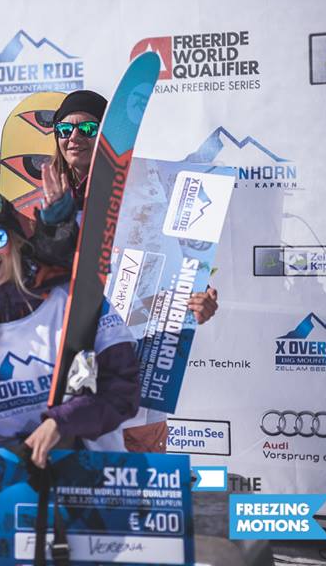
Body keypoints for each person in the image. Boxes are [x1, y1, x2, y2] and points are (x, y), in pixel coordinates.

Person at [39, 89, 219, 452]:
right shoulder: (50, 200)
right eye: (64, 129)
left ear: (108, 135)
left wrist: (199, 300)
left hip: (142, 353)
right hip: (78, 357)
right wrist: (55, 220)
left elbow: (186, 262)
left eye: (87, 129)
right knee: (81, 460)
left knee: (138, 454)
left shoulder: (151, 192)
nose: (74, 138)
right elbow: (45, 277)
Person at [0, 189, 140, 466]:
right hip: (7, 475)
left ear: (15, 239)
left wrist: (60, 423)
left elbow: (123, 391)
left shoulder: (72, 300)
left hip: (85, 470)